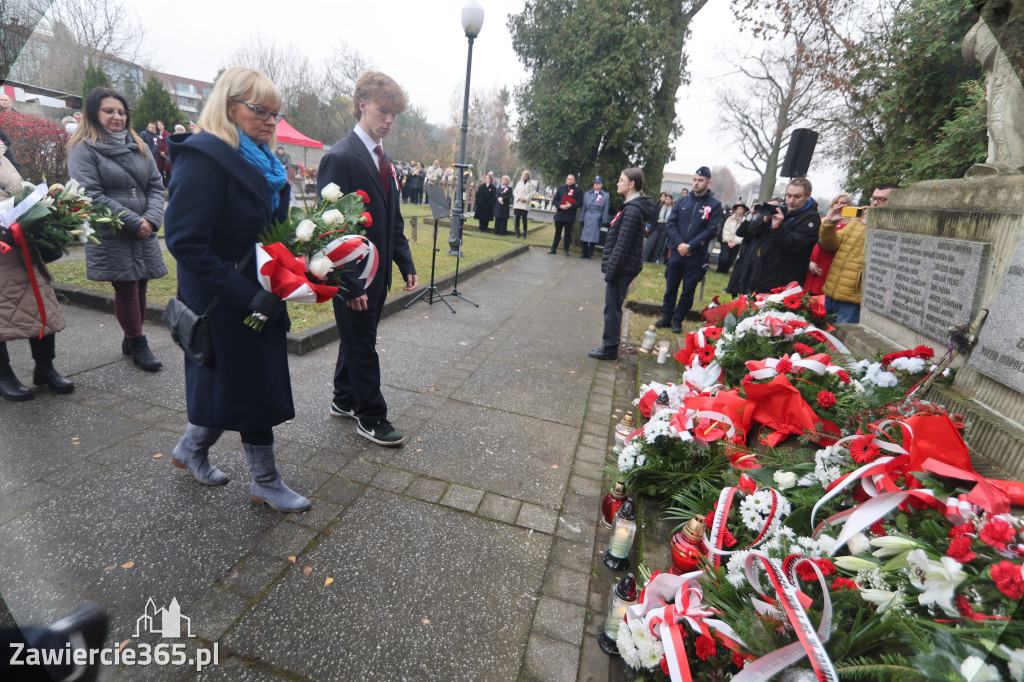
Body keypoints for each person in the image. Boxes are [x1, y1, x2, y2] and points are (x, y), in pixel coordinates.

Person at [163, 66, 308, 513]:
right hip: (223, 296)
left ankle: (191, 448)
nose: (271, 121)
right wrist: (245, 294)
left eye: (275, 114)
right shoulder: (206, 157)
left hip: (257, 289)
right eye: (261, 111)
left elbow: (268, 231)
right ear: (229, 106)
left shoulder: (265, 163)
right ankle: (265, 481)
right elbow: (184, 240)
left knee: (239, 383)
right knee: (248, 385)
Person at [318, 71, 418, 447]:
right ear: (362, 105)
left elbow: (393, 218)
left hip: (379, 274)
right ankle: (371, 416)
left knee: (358, 338)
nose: (389, 120)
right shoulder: (340, 157)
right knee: (362, 345)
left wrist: (405, 262)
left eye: (395, 114)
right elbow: (329, 230)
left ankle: (343, 399)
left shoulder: (384, 158)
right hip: (354, 277)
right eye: (383, 111)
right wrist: (348, 282)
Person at [67, 87, 167, 371]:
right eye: (109, 111)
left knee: (142, 284)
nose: (117, 117)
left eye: (121, 112)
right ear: (93, 113)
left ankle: (130, 336)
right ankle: (138, 343)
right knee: (126, 287)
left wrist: (151, 219)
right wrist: (135, 222)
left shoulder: (139, 144)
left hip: (145, 227)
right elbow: (90, 194)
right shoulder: (82, 148)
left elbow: (155, 186)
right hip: (113, 230)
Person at [0, 162, 74, 401]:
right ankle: (3, 375)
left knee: (39, 300)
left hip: (20, 239)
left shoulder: (2, 148)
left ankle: (45, 367)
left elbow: (19, 184)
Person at [589, 168, 655, 360]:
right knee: (611, 308)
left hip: (621, 269)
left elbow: (622, 245)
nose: (618, 183)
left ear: (631, 184)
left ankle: (609, 348)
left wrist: (611, 271)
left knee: (612, 309)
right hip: (621, 267)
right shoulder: (630, 207)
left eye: (621, 180)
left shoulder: (632, 210)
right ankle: (609, 345)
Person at [655, 166, 723, 333]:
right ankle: (667, 316)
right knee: (671, 286)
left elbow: (712, 229)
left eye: (700, 180)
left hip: (696, 254)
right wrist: (681, 245)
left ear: (708, 183)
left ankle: (678, 319)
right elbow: (671, 224)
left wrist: (691, 246)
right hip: (677, 251)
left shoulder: (714, 205)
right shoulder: (683, 201)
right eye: (694, 180)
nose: (696, 183)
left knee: (688, 289)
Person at [817, 184, 897, 323]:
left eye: (882, 199)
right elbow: (829, 245)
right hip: (831, 293)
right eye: (874, 198)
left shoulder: (895, 229)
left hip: (853, 301)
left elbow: (887, 256)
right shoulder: (856, 223)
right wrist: (829, 223)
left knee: (841, 337)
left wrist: (871, 227)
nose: (875, 203)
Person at [745, 177, 821, 294]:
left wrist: (777, 227)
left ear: (807, 196)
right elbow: (752, 232)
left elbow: (796, 245)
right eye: (788, 195)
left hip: (783, 284)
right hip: (759, 275)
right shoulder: (782, 209)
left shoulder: (812, 218)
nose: (791, 201)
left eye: (797, 196)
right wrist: (765, 220)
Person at [804, 194, 851, 294]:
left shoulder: (850, 225)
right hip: (811, 263)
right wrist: (808, 261)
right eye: (836, 202)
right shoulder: (823, 221)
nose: (839, 205)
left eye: (843, 203)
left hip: (829, 267)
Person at [549, 174, 582, 255]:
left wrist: (571, 205)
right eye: (568, 179)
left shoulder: (578, 190)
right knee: (557, 233)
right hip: (560, 214)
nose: (569, 181)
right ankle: (553, 248)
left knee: (567, 234)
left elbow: (580, 202)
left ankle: (566, 250)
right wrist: (560, 205)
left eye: (571, 179)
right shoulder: (561, 189)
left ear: (574, 181)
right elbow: (555, 200)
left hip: (570, 215)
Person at [579, 176, 609, 259]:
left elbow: (605, 209)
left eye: (598, 183)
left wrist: (604, 220)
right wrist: (581, 218)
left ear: (601, 185)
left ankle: (590, 254)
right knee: (585, 235)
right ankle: (583, 253)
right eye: (595, 183)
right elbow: (583, 207)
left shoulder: (605, 195)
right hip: (587, 215)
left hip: (597, 216)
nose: (596, 185)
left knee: (594, 236)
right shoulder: (587, 194)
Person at [716, 202, 747, 274]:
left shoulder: (745, 221)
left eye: (741, 209)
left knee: (731, 259)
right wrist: (728, 241)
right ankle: (719, 270)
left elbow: (744, 233)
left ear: (744, 211)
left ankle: (725, 271)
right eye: (738, 209)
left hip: (736, 243)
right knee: (724, 258)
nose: (739, 211)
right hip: (727, 241)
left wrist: (735, 242)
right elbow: (725, 229)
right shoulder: (729, 219)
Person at [643, 193, 672, 263]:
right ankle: (644, 259)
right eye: (666, 199)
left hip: (665, 226)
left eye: (669, 199)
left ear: (671, 200)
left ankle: (654, 260)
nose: (667, 201)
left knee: (660, 245)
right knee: (650, 242)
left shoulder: (672, 209)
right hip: (658, 225)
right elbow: (654, 218)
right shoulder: (660, 207)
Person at [512, 170, 533, 238]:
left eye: (526, 175)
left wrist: (525, 199)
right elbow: (515, 192)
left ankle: (524, 233)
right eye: (524, 174)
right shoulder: (519, 183)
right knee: (517, 218)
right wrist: (519, 198)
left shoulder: (530, 184)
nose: (525, 176)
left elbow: (531, 194)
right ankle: (517, 232)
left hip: (525, 204)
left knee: (524, 219)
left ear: (528, 176)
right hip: (518, 203)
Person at [155, 120, 171, 185]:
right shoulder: (156, 135)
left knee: (168, 169)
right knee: (160, 169)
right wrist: (160, 151)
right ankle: (163, 183)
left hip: (165, 154)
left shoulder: (167, 134)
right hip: (159, 154)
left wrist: (165, 152)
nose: (160, 126)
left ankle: (168, 183)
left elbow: (168, 144)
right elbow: (156, 144)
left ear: (163, 125)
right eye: (158, 125)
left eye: (161, 124)